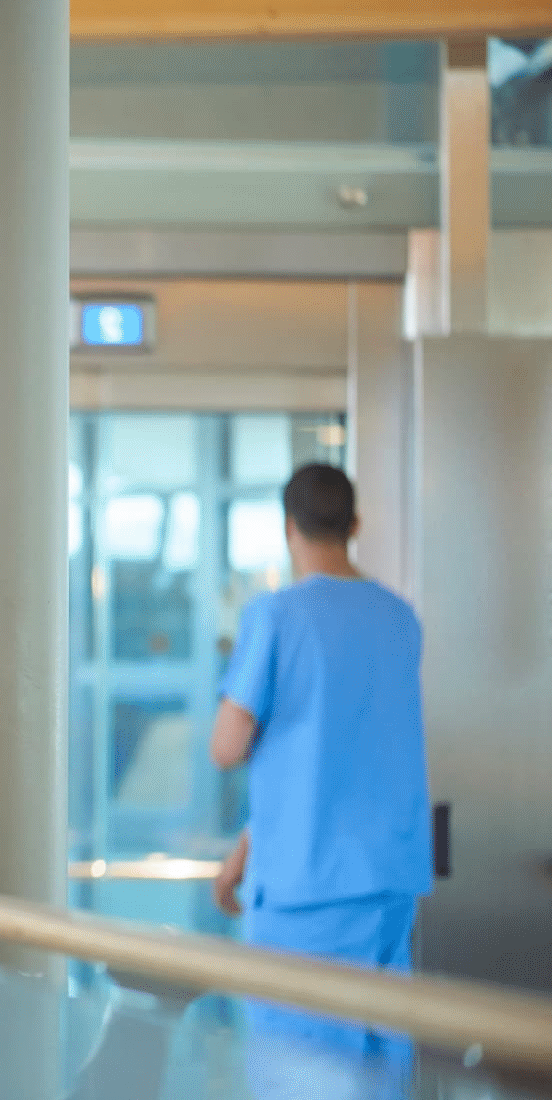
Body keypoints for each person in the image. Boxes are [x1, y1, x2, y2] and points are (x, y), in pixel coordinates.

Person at [210, 462, 431, 1090]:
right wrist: (251, 844)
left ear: (289, 529)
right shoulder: (399, 618)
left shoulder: (275, 617)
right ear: (353, 524)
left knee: (299, 1076)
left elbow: (227, 746)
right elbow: (350, 751)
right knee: (380, 1072)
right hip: (390, 885)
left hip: (307, 894)